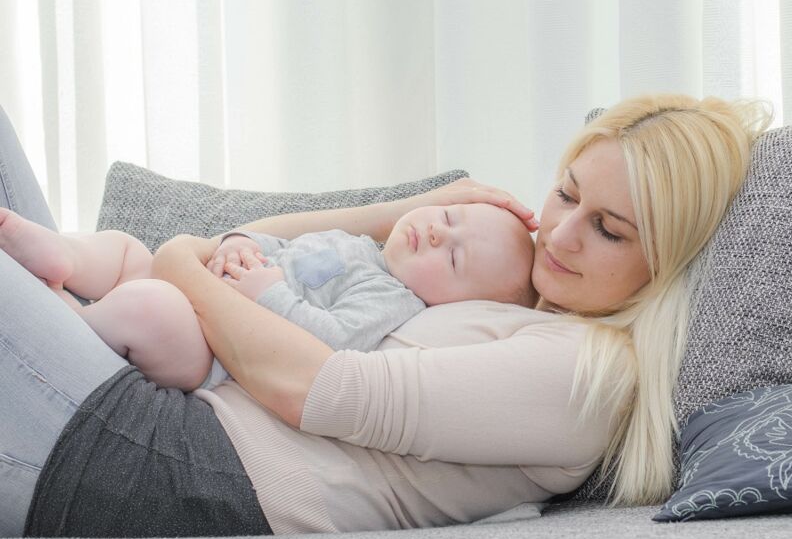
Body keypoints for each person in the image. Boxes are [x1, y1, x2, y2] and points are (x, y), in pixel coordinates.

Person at [0, 93, 770, 537]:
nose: (561, 234)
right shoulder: (498, 288)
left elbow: (314, 388)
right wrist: (397, 211)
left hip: (172, 468)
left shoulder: (586, 374)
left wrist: (174, 262)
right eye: (566, 193)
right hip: (158, 397)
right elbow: (249, 250)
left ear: (665, 260)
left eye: (609, 229)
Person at [0, 201, 537, 390]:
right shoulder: (359, 245)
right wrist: (238, 244)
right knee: (125, 249)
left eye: (454, 258)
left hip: (211, 352)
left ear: (453, 306)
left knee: (151, 307)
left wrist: (269, 292)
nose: (439, 233)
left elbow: (326, 346)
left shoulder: (391, 302)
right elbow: (277, 245)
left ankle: (66, 318)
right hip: (199, 285)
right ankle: (63, 256)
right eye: (449, 217)